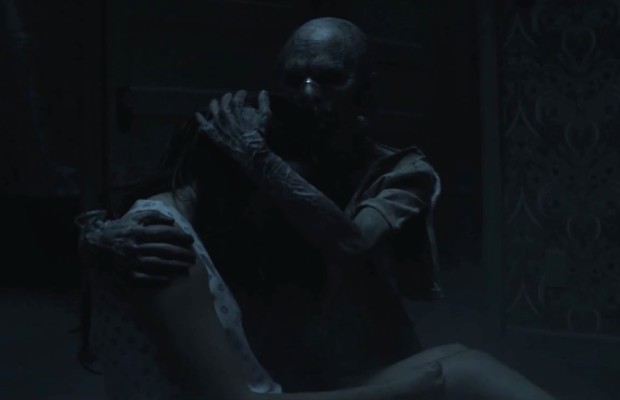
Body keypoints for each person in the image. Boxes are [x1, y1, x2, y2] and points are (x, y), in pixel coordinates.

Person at [79, 17, 556, 399]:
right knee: (462, 373)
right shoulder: (264, 148)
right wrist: (100, 236)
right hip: (276, 365)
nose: (308, 93)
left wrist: (258, 160)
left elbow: (351, 243)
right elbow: (183, 199)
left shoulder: (398, 171)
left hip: (363, 362)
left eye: (330, 79)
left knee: (467, 365)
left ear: (364, 88)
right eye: (295, 79)